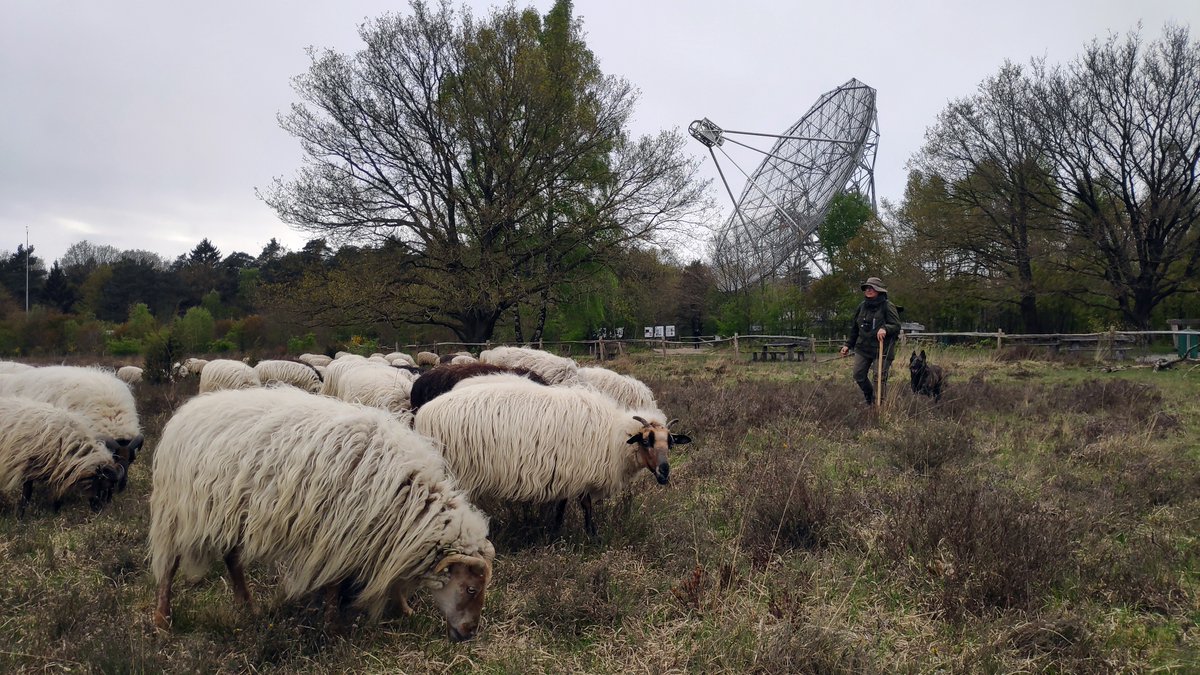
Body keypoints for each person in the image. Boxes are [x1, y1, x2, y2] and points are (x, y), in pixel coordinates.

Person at [839, 277, 901, 405]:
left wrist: (885, 328)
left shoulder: (887, 306)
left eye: (872, 288)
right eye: (867, 288)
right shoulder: (862, 306)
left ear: (879, 290)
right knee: (858, 374)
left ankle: (879, 406)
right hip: (863, 347)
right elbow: (855, 328)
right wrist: (848, 345)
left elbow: (896, 325)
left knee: (879, 378)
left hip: (882, 348)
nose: (868, 290)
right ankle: (870, 398)